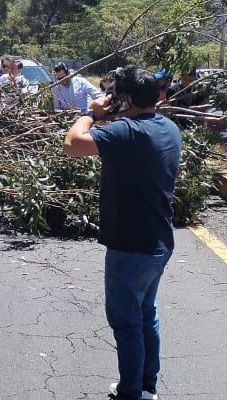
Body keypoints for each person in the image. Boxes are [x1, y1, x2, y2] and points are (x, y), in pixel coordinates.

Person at [63, 66, 181, 400]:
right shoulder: (168, 127)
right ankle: (147, 386)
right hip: (159, 239)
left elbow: (72, 144)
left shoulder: (126, 131)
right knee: (146, 315)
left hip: (130, 245)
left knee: (126, 322)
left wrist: (91, 112)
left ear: (125, 98)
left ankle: (130, 393)